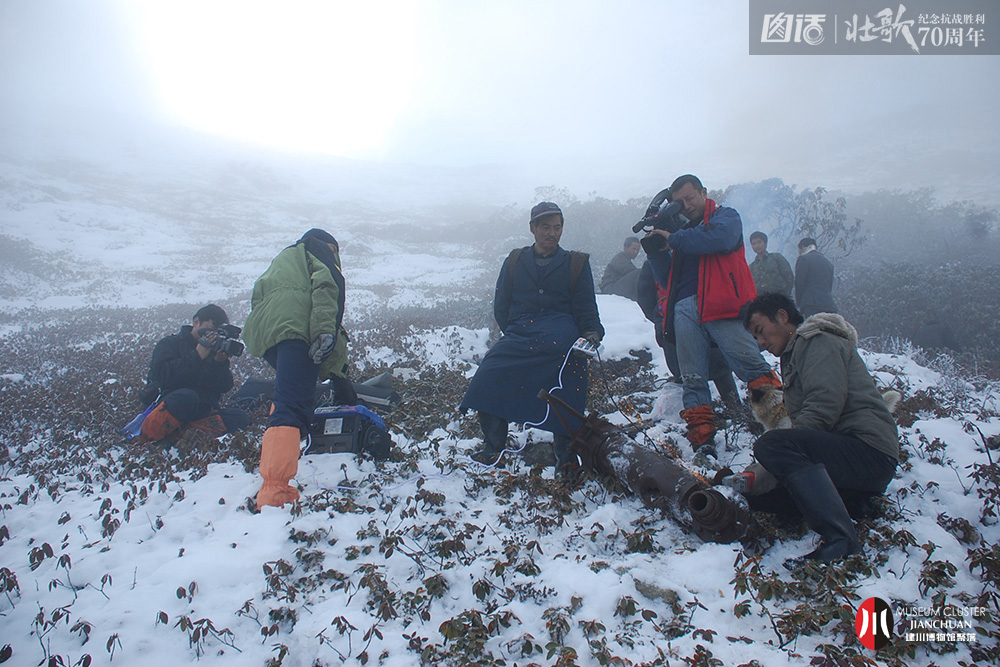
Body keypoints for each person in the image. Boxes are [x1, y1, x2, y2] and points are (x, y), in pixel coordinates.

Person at [741, 293, 899, 566]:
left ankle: (842, 541)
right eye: (756, 338)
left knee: (771, 444)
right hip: (851, 459)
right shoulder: (795, 353)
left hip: (869, 451)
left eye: (760, 331)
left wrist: (774, 461)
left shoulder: (817, 342)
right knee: (766, 498)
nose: (761, 343)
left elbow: (823, 406)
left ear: (782, 316)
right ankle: (856, 503)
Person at [460, 202, 604, 475]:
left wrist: (591, 334)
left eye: (557, 227)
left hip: (562, 336)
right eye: (546, 227)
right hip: (521, 333)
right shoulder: (515, 261)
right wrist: (516, 332)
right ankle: (493, 449)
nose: (552, 233)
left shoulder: (576, 263)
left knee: (570, 380)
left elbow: (587, 309)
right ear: (532, 228)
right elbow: (502, 306)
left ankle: (566, 459)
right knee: (489, 373)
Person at [643, 174, 781, 460]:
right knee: (693, 379)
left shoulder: (725, 217)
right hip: (684, 306)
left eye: (690, 198)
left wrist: (675, 238)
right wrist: (656, 253)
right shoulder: (682, 234)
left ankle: (782, 426)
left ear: (703, 192)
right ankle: (702, 441)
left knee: (751, 366)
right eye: (679, 202)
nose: (686, 206)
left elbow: (719, 239)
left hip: (722, 305)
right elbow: (668, 280)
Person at [242, 229, 354, 509]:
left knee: (288, 395)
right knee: (291, 406)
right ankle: (275, 490)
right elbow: (327, 288)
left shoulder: (284, 258)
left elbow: (258, 296)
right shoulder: (319, 251)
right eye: (335, 250)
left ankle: (276, 465)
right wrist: (324, 331)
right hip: (297, 331)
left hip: (271, 335)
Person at [635, 260, 739, 411]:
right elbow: (645, 297)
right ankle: (698, 416)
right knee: (685, 374)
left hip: (703, 315)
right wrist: (661, 318)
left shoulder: (694, 255)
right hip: (670, 324)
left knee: (718, 369)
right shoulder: (653, 263)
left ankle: (735, 411)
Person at [138, 304, 250, 444]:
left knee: (239, 417)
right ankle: (148, 437)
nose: (214, 334)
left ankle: (184, 435)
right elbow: (163, 376)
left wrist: (219, 363)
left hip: (202, 411)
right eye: (212, 328)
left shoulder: (214, 349)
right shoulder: (169, 343)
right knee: (186, 397)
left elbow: (224, 386)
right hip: (173, 406)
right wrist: (197, 355)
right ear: (196, 322)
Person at [794, 237, 838, 318]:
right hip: (829, 304)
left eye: (798, 250)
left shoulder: (803, 259)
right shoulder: (828, 262)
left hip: (811, 304)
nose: (798, 252)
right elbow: (829, 285)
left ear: (802, 247)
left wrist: (799, 303)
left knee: (813, 326)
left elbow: (799, 283)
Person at [748, 231, 794, 297]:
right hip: (760, 300)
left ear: (765, 243)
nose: (757, 246)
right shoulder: (751, 267)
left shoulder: (776, 258)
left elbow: (789, 276)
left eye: (759, 242)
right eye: (754, 244)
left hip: (779, 298)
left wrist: (785, 294)